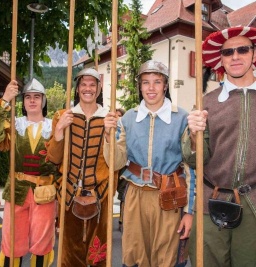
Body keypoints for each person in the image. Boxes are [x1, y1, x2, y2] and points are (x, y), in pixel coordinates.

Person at [104, 60, 195, 267]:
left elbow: (191, 168)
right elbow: (116, 163)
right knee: (135, 256)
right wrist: (108, 137)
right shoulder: (128, 118)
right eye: (146, 82)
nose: (151, 88)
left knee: (167, 258)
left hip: (170, 196)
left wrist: (189, 212)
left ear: (165, 85)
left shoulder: (181, 118)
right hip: (135, 195)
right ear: (140, 86)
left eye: (157, 82)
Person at [183, 26, 256, 266]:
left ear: (253, 55)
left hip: (253, 205)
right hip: (210, 203)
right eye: (228, 52)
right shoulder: (206, 104)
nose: (235, 56)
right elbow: (195, 161)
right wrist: (194, 135)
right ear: (221, 60)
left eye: (243, 49)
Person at [47, 68, 117, 267]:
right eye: (83, 84)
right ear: (77, 89)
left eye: (92, 84)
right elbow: (53, 158)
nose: (88, 89)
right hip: (69, 195)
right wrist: (60, 129)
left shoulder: (110, 118)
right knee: (70, 256)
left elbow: (116, 164)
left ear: (99, 88)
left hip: (100, 196)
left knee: (99, 256)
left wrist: (109, 135)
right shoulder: (62, 116)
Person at [0, 78, 59, 267]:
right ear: (23, 101)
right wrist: (4, 101)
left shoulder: (55, 127)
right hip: (16, 190)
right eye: (28, 97)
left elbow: (61, 160)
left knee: (42, 242)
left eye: (37, 97)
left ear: (43, 101)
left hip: (45, 191)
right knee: (12, 241)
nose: (32, 100)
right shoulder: (15, 125)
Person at [115, 108, 127, 232]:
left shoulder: (125, 130)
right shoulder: (110, 130)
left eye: (120, 116)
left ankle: (121, 220)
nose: (118, 118)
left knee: (123, 195)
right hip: (112, 167)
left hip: (124, 167)